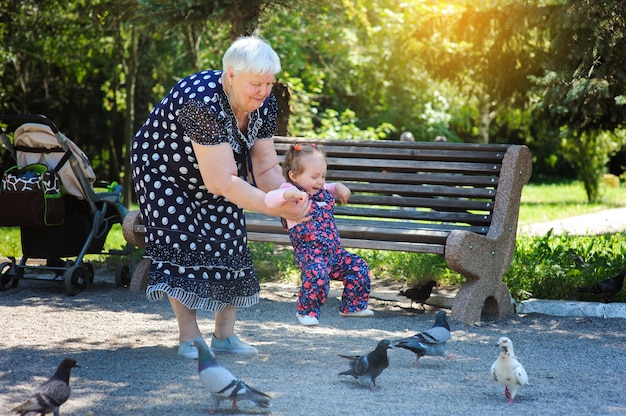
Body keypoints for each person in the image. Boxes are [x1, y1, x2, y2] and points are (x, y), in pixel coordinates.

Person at [130, 35, 311, 359]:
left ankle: (224, 337)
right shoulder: (201, 100)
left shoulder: (264, 102)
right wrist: (273, 208)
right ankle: (190, 337)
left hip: (218, 172)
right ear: (231, 74)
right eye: (257, 83)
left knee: (230, 239)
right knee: (182, 242)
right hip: (164, 170)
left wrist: (288, 195)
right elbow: (222, 182)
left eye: (269, 83)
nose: (264, 91)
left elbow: (266, 164)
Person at [265, 143, 373, 326]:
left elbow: (329, 187)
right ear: (294, 176)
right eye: (315, 177)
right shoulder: (289, 191)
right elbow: (269, 200)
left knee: (359, 267)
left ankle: (352, 306)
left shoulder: (321, 190)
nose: (321, 181)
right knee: (317, 274)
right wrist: (287, 194)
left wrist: (338, 186)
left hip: (334, 252)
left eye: (323, 176)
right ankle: (307, 312)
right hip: (310, 252)